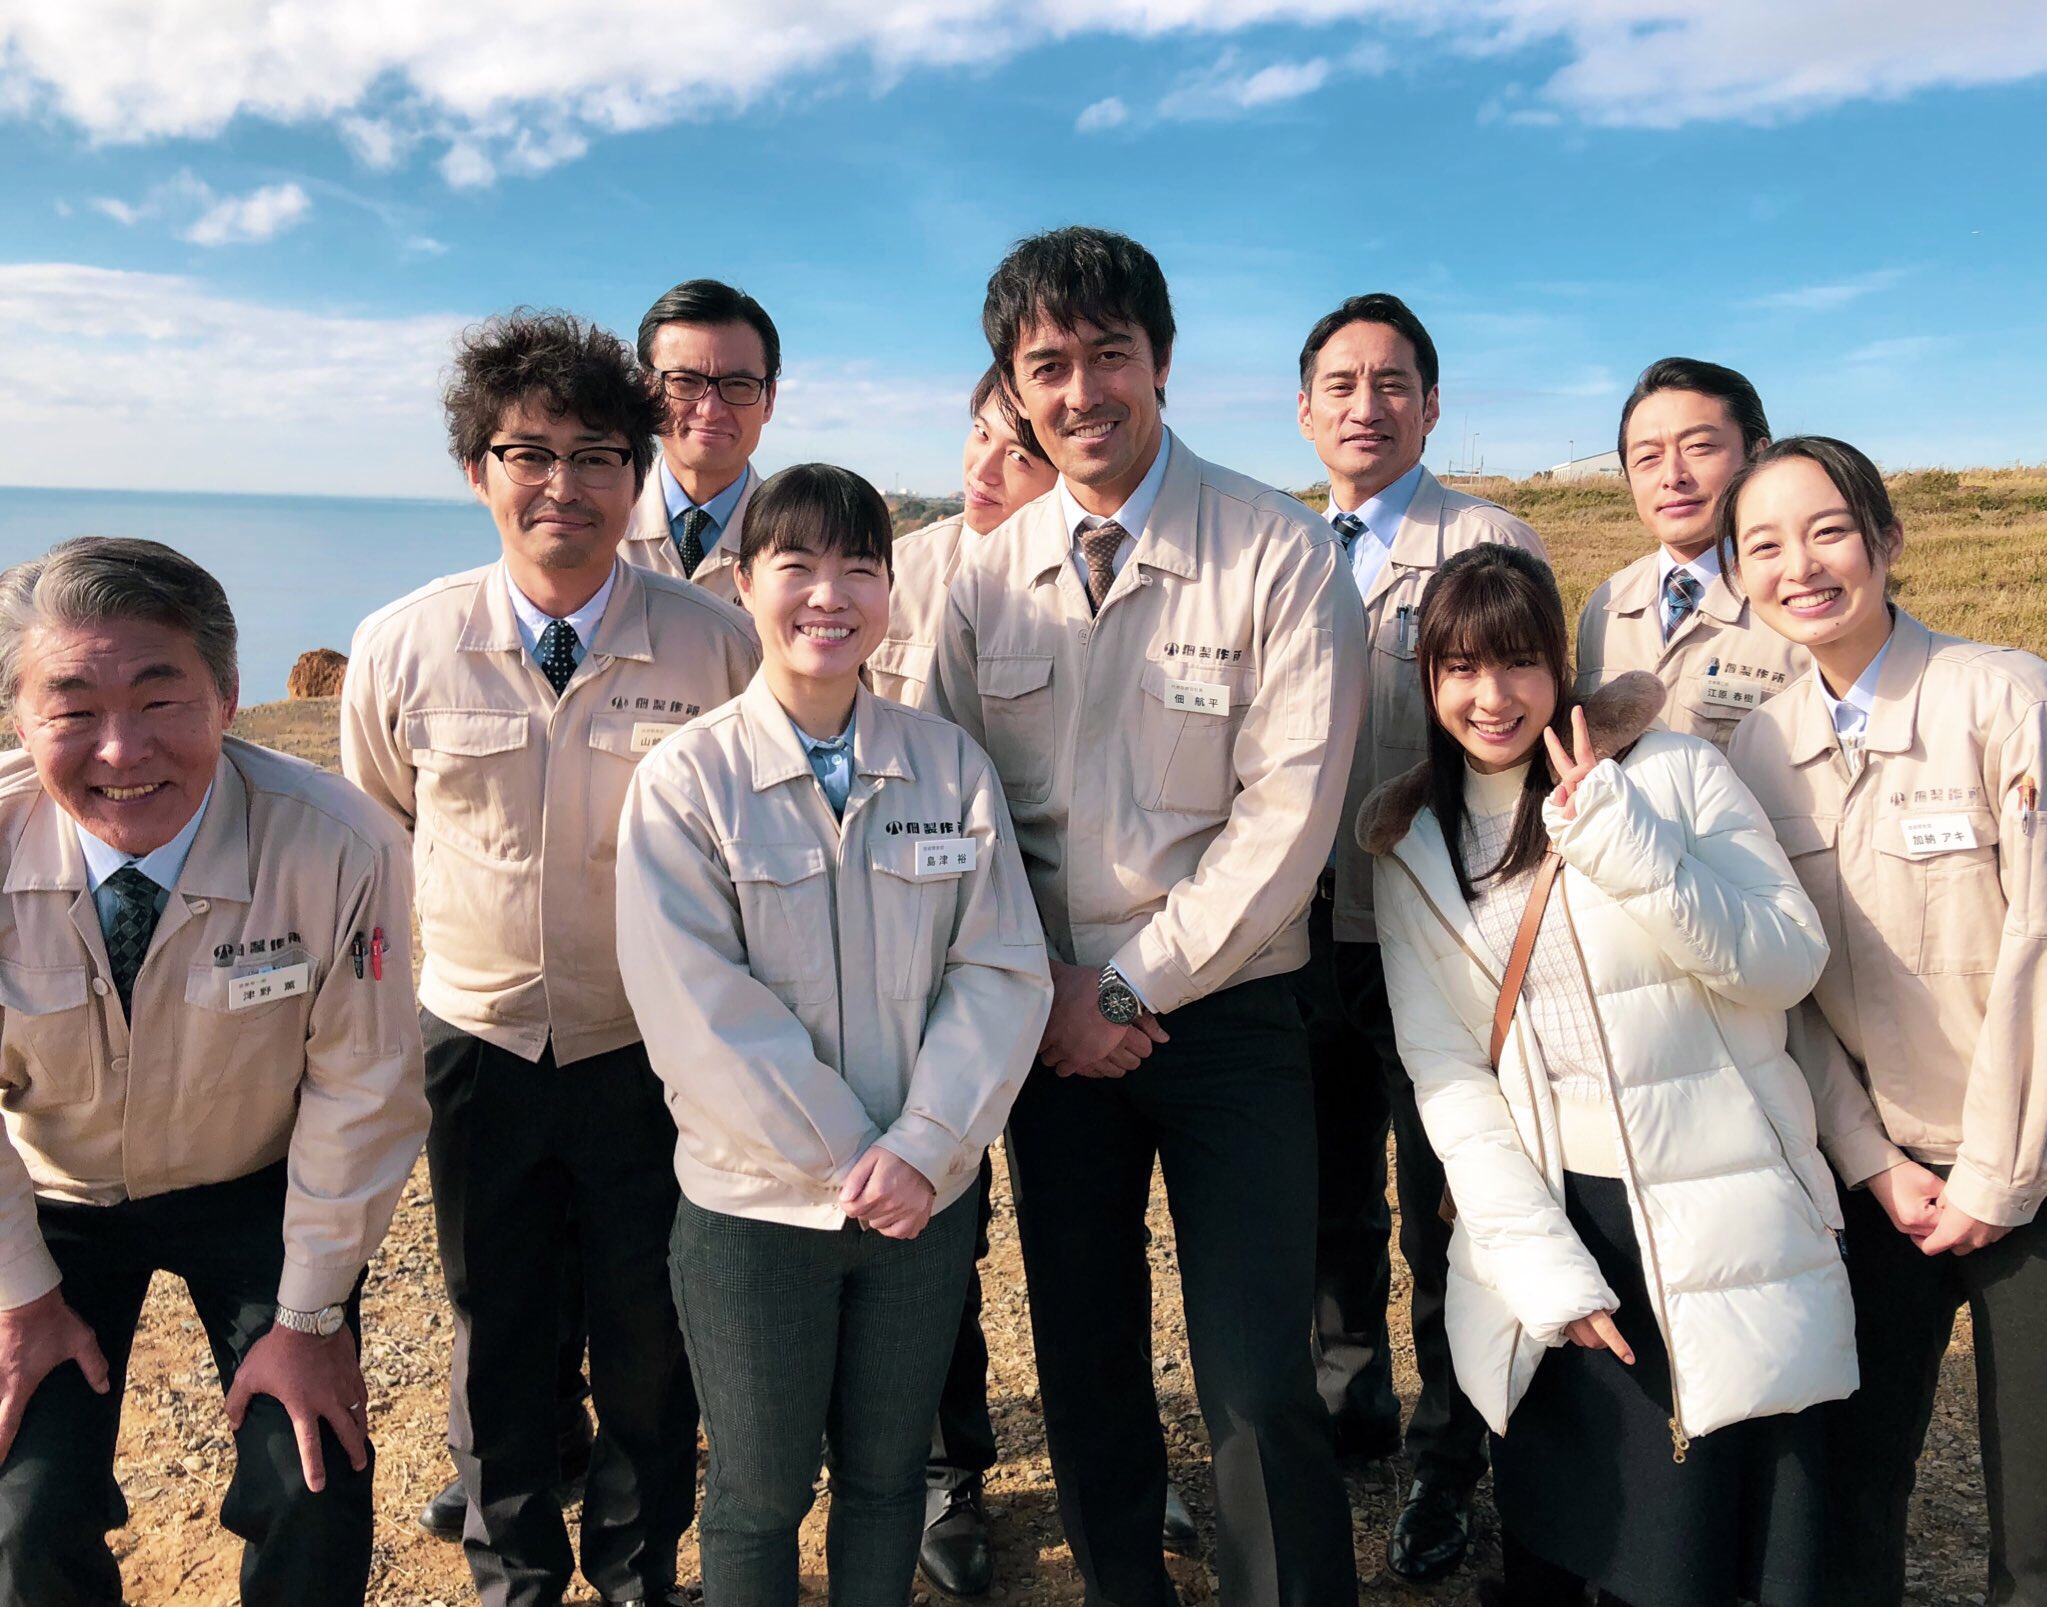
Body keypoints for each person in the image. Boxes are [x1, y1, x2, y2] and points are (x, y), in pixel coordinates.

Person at [933, 225, 1364, 1607]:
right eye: (1046, 366)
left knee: (1252, 1372)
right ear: (1014, 390)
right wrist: (1050, 988)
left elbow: (1287, 821)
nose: (1081, 392)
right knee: (1083, 1349)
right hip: (1047, 1019)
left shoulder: (1277, 552)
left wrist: (1124, 988)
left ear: (1161, 361)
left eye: (1107, 354)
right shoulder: (984, 576)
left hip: (1225, 1010)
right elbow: (956, 814)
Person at [341, 311, 760, 1607]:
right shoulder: (402, 646)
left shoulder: (710, 643)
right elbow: (378, 839)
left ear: (635, 474)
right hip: (476, 1042)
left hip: (649, 1045)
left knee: (650, 1326)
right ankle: (514, 1573)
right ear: (478, 468)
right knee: (496, 1323)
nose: (562, 484)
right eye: (528, 453)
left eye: (595, 456)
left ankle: (640, 1571)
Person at [1360, 541, 1857, 1607]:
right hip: (1556, 1211)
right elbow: (1448, 1075)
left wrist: (1620, 838)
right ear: (1428, 679)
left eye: (1519, 661)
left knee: (1710, 1538)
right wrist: (1541, 1265)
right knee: (1576, 1529)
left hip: (1720, 1198)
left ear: (1561, 665)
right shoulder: (1413, 846)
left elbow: (1786, 961)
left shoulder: (1667, 773)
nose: (1491, 696)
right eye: (1459, 667)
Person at [614, 462, 1052, 1605]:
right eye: (796, 563)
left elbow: (999, 967)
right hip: (755, 1209)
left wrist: (923, 1146)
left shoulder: (947, 765)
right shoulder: (687, 779)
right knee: (758, 1491)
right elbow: (695, 1006)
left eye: (859, 565)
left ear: (889, 590)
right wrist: (857, 1152)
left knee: (886, 1476)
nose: (829, 593)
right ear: (743, 582)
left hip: (921, 1202)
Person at [0, 537, 429, 1607]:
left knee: (313, 1479)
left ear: (230, 695)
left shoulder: (340, 844)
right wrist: (19, 1300)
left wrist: (310, 1320)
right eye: (72, 708)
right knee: (22, 1512)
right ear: (19, 715)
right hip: (51, 1197)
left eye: (161, 699)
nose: (121, 749)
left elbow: (365, 1089)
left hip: (254, 1187)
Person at [1722, 437, 2047, 1607]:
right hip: (1885, 1176)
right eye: (1763, 544)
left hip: (2029, 1157)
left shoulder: (2002, 696)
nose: (1799, 566)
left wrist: (1994, 1175)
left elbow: (2040, 950)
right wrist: (1869, 1157)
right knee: (1854, 1484)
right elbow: (1781, 985)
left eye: (1827, 531)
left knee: (2035, 1510)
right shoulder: (1758, 747)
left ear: (1887, 539)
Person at [1296, 291, 1545, 1582]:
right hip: (1295, 929)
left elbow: (1521, 731)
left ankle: (1452, 1455)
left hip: (1438, 929)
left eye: (1391, 382)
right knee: (1326, 1191)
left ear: (1431, 404)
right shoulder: (1277, 546)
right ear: (1302, 410)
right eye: (1339, 384)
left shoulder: (1486, 541)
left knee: (1447, 1198)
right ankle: (1349, 1406)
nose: (1365, 405)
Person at [1576, 358, 1805, 748]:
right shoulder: (1606, 605)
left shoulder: (1804, 599)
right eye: (1648, 457)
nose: (1672, 476)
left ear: (1758, 457)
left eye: (1699, 447)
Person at [621, 278, 780, 601]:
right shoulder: (595, 522)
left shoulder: (802, 540)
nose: (710, 410)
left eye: (738, 385)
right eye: (685, 381)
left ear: (769, 399)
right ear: (646, 391)